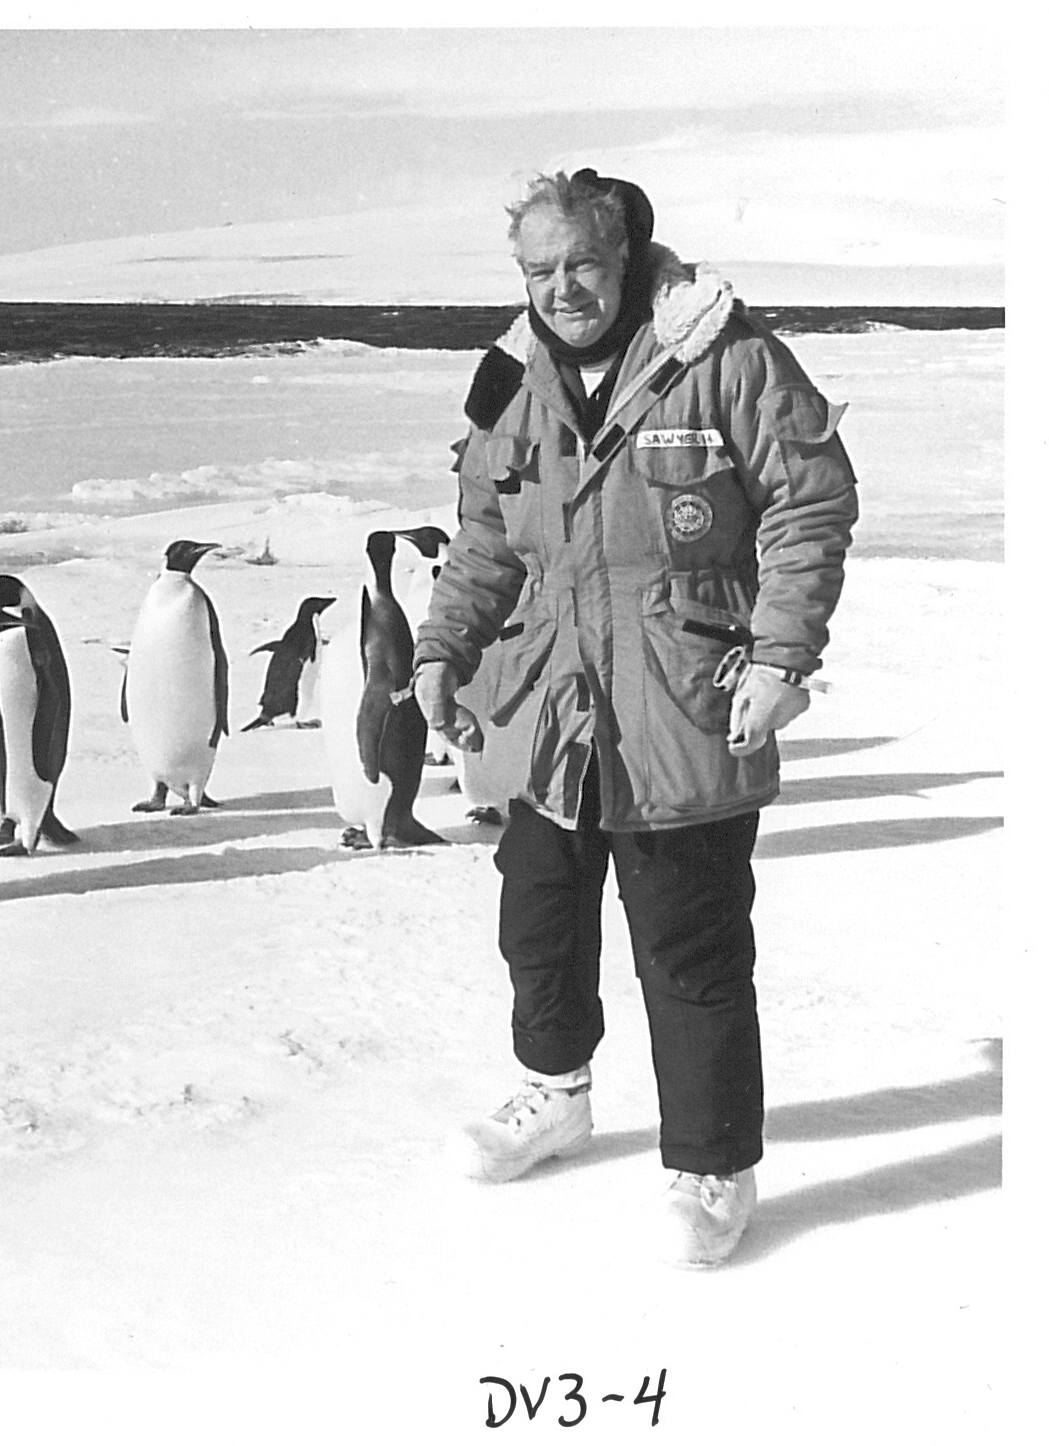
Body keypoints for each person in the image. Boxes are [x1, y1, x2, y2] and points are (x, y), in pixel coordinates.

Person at [412, 169, 858, 1267]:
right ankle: (555, 1094)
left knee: (690, 949)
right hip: (548, 711)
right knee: (539, 927)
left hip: (679, 705)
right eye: (537, 271)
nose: (560, 290)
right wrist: (442, 647)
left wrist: (781, 655)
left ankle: (711, 1165)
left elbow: (811, 500)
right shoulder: (513, 380)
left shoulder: (725, 358)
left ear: (628, 256)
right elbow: (484, 536)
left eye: (581, 265)